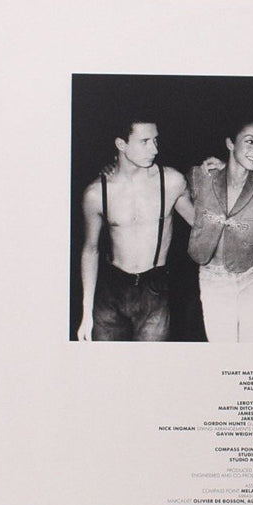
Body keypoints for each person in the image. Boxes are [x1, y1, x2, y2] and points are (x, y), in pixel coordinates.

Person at [76, 120, 194, 341]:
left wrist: (219, 173)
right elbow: (90, 250)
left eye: (156, 140)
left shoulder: (171, 182)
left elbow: (202, 225)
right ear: (121, 144)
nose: (155, 149)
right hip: (111, 290)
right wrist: (86, 314)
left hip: (154, 290)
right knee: (106, 361)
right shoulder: (96, 193)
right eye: (144, 141)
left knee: (150, 362)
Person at [187, 120, 253, 342]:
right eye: (250, 141)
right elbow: (175, 195)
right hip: (213, 277)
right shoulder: (201, 177)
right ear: (230, 143)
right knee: (223, 352)